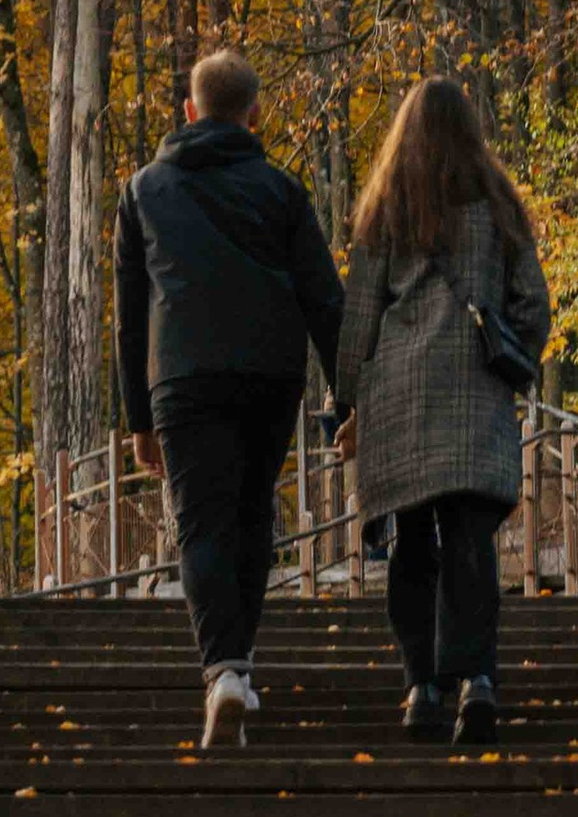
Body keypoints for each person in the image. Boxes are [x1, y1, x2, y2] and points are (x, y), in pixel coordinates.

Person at [116, 46, 343, 750]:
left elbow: (129, 313)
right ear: (255, 114)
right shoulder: (282, 190)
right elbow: (323, 297)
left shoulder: (144, 189)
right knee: (251, 518)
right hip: (269, 375)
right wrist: (348, 393)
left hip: (182, 377)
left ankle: (223, 672)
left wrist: (138, 419)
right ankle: (237, 670)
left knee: (201, 523)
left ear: (189, 111)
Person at [334, 75, 552, 750]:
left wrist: (345, 402)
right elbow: (533, 307)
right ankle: (477, 682)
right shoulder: (499, 207)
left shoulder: (385, 210)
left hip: (399, 394)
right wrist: (513, 354)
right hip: (475, 391)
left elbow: (360, 319)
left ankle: (420, 688)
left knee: (412, 545)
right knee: (469, 543)